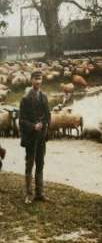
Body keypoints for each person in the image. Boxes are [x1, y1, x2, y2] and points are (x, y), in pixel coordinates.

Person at [19, 71, 51, 204]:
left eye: (40, 79)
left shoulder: (44, 96)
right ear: (31, 80)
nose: (38, 82)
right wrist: (33, 126)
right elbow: (21, 120)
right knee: (29, 164)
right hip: (31, 137)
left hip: (41, 136)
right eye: (36, 79)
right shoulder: (25, 98)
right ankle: (29, 194)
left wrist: (44, 125)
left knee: (40, 164)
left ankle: (40, 193)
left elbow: (48, 116)